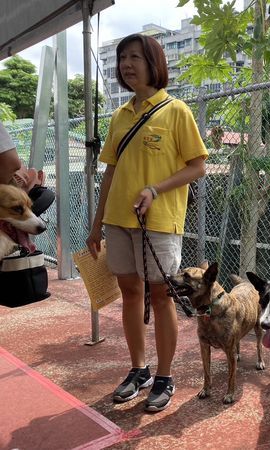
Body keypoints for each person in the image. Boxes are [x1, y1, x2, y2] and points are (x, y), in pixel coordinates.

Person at [86, 33, 208, 413]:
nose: (127, 64)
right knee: (130, 294)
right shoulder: (120, 116)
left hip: (159, 221)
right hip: (118, 219)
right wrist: (96, 223)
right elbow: (110, 171)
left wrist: (155, 189)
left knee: (161, 295)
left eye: (135, 57)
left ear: (154, 62)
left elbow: (197, 166)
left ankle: (165, 376)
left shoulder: (176, 111)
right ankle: (138, 369)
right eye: (123, 58)